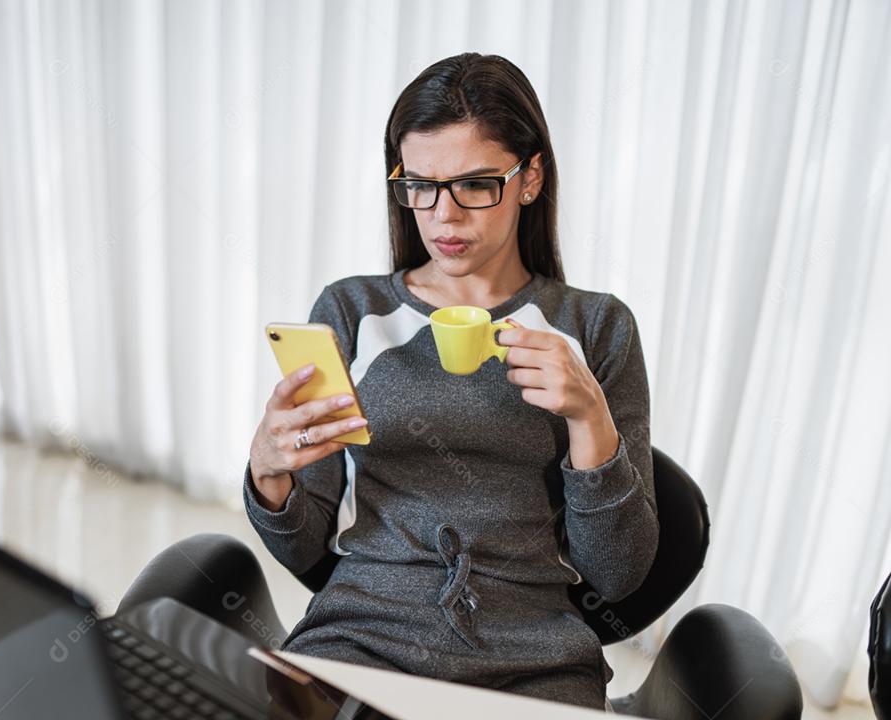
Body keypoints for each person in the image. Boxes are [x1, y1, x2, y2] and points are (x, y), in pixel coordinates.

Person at [126, 52, 657, 714]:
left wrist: (591, 421)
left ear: (530, 179)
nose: (443, 216)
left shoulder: (597, 328)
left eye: (475, 184)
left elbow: (618, 574)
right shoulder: (352, 313)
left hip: (534, 658)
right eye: (421, 185)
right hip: (361, 636)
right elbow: (306, 548)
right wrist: (270, 475)